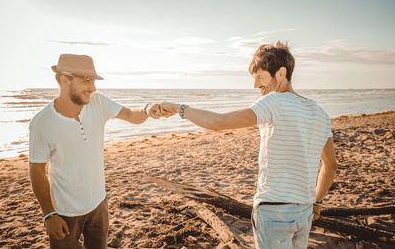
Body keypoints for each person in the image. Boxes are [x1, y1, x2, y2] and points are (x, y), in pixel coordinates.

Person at [161, 41, 338, 249]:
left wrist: (179, 109)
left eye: (260, 77)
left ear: (281, 74)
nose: (255, 86)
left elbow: (219, 122)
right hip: (304, 212)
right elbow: (331, 165)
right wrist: (317, 202)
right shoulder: (320, 113)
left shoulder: (273, 102)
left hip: (273, 211)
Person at [29, 54, 163, 249]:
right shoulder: (42, 123)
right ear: (63, 80)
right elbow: (36, 171)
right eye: (86, 81)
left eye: (93, 80)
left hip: (99, 204)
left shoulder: (98, 102)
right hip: (64, 211)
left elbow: (131, 115)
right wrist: (49, 214)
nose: (92, 88)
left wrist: (147, 109)